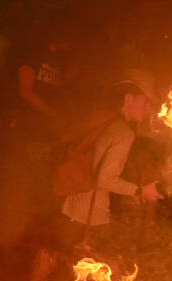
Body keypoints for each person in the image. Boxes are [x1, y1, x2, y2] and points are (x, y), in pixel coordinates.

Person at [60, 69, 164, 246]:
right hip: (88, 218)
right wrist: (140, 191)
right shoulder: (124, 133)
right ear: (128, 98)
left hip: (71, 206)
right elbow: (104, 180)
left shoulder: (105, 118)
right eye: (146, 101)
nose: (148, 109)